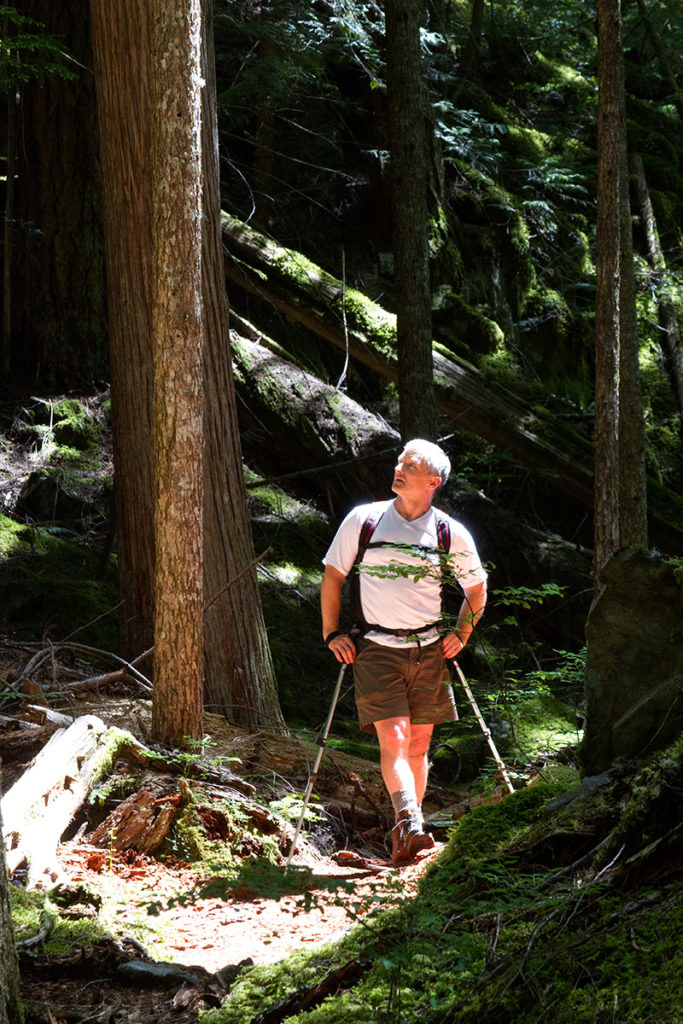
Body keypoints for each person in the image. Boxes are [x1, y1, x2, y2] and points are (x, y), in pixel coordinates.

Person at [320, 439, 487, 865]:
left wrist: (461, 634)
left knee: (418, 745)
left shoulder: (449, 532)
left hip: (429, 649)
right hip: (375, 647)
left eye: (408, 464)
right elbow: (334, 576)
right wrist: (331, 633)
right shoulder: (366, 520)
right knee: (394, 736)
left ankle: (404, 841)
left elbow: (476, 589)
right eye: (399, 461)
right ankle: (412, 823)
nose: (398, 468)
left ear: (432, 481)